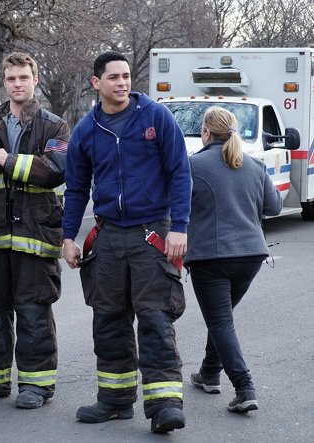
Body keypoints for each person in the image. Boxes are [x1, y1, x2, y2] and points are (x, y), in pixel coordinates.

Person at [62, 51, 191, 433]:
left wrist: (179, 227)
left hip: (151, 233)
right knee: (108, 319)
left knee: (154, 317)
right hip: (107, 237)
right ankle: (115, 400)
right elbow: (75, 189)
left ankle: (165, 403)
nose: (122, 83)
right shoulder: (86, 130)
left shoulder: (155, 117)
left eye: (126, 76)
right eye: (114, 77)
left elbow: (180, 173)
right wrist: (69, 237)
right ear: (95, 82)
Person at [0, 52, 70, 410]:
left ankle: (36, 385)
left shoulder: (55, 126)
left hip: (36, 237)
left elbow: (55, 169)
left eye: (23, 77)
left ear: (35, 79)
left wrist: (4, 159)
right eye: (10, 79)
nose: (17, 84)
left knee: (34, 311)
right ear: (4, 83)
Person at [186, 106, 281, 413]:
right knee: (221, 319)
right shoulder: (254, 165)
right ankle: (209, 373)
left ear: (206, 132)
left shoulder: (193, 165)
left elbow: (176, 205)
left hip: (210, 257)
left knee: (221, 322)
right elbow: (275, 207)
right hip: (251, 256)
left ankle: (245, 388)